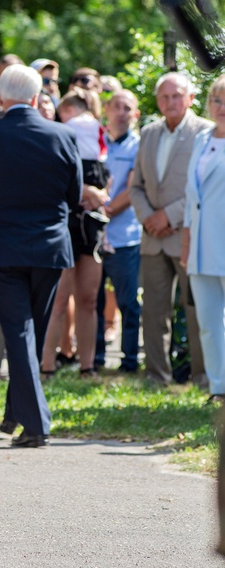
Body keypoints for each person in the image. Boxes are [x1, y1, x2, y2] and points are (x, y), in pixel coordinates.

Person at [0, 64, 82, 447]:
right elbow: (75, 195)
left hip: (6, 248)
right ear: (34, 97)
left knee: (21, 334)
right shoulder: (62, 134)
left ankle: (36, 424)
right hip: (49, 248)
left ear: (0, 97)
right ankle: (17, 414)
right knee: (30, 334)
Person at [129, 72, 212, 386]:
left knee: (197, 310)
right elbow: (135, 186)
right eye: (164, 96)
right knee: (153, 311)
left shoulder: (207, 132)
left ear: (191, 97)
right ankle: (156, 375)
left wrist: (169, 215)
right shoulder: (148, 133)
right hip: (152, 238)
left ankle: (204, 375)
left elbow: (206, 186)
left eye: (176, 95)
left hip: (190, 238)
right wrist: (150, 216)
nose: (170, 102)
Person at [41, 88, 109, 378]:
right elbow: (53, 181)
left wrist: (100, 193)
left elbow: (108, 178)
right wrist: (88, 191)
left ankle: (88, 365)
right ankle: (46, 366)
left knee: (89, 298)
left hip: (91, 225)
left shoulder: (97, 137)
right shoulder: (60, 137)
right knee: (58, 299)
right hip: (65, 223)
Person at [181, 75, 225, 404]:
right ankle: (218, 388)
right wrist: (186, 241)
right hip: (199, 247)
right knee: (208, 323)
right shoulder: (202, 138)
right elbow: (190, 197)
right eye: (217, 100)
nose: (222, 107)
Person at [95, 89, 143, 373]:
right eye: (116, 106)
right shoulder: (98, 143)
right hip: (95, 237)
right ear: (107, 110)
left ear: (135, 114)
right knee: (94, 300)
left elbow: (133, 188)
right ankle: (96, 358)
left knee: (127, 301)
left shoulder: (138, 145)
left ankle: (129, 360)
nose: (121, 112)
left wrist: (105, 211)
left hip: (125, 236)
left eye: (127, 108)